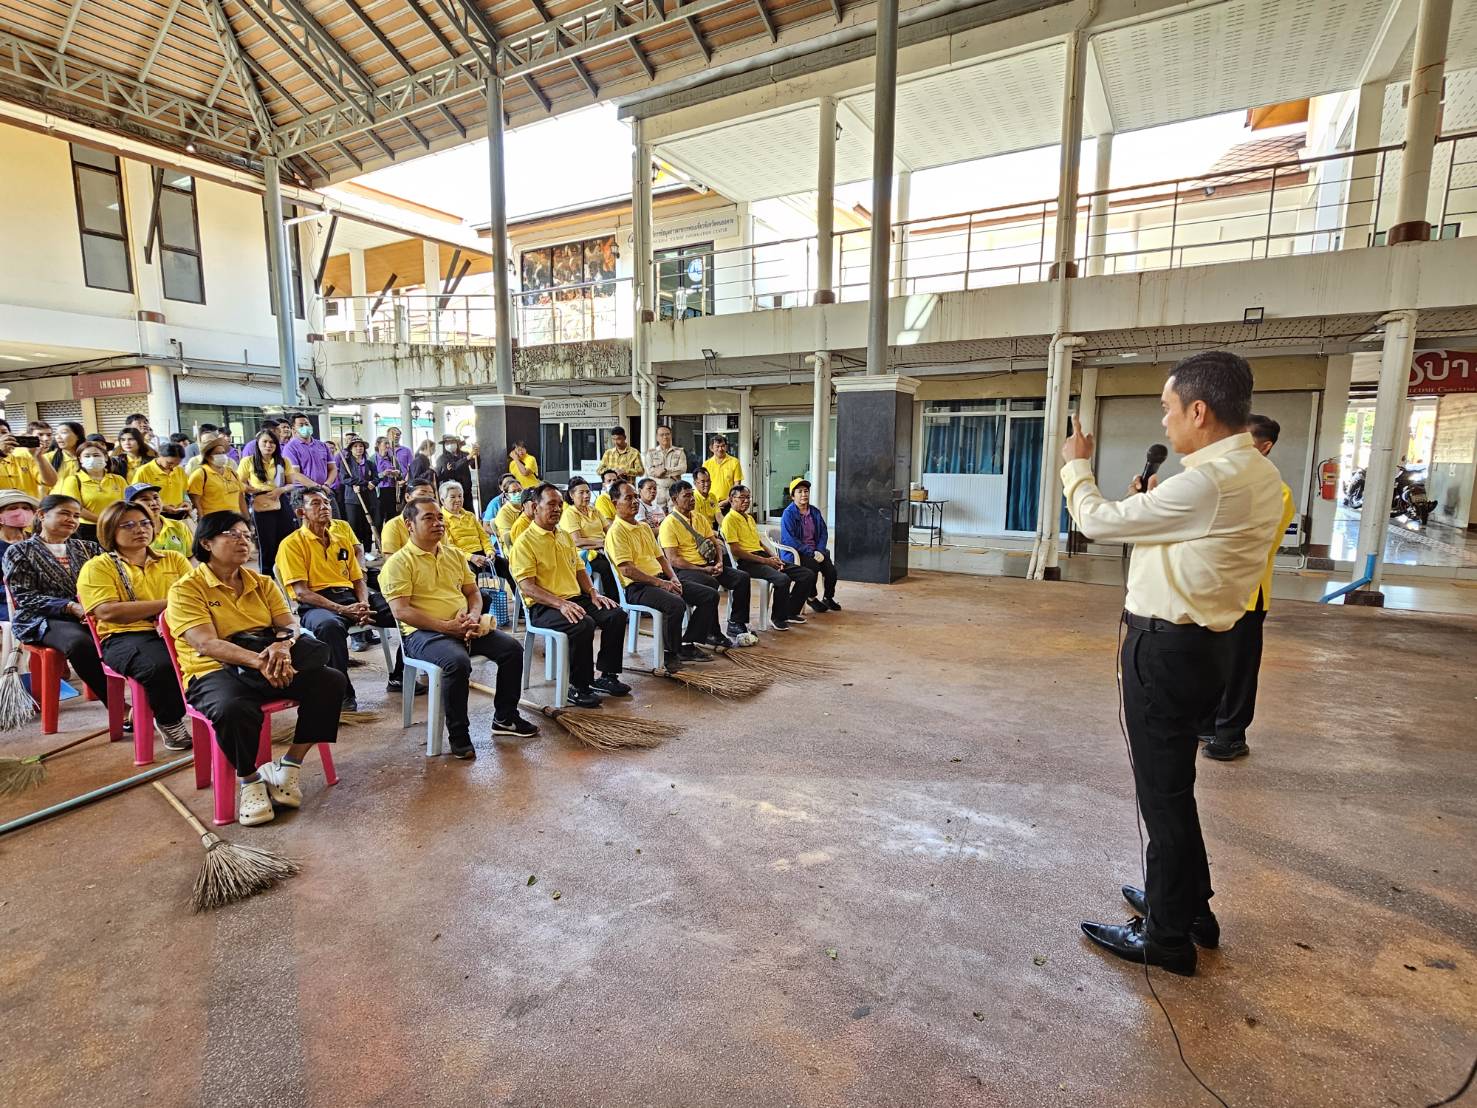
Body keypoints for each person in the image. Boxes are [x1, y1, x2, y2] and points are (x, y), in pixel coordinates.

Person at [1062, 350, 1285, 977]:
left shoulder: (1208, 483)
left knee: (1162, 796)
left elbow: (1097, 521)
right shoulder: (1257, 474)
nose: (1164, 424)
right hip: (1205, 647)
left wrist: (1076, 469)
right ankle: (1189, 909)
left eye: (1166, 410)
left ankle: (1165, 938)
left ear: (1199, 410)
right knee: (1174, 791)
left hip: (1164, 651)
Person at [166, 511, 347, 827]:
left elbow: (289, 623)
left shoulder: (261, 582)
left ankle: (288, 767)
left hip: (271, 662)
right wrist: (261, 662)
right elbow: (206, 644)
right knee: (233, 708)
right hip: (212, 670)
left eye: (247, 534)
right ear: (206, 542)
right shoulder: (186, 589)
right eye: (232, 534)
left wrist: (282, 647)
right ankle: (249, 779)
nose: (243, 540)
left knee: (330, 681)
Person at [380, 498, 535, 759]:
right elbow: (402, 611)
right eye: (428, 518)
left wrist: (474, 616)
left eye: (440, 518)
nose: (438, 523)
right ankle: (459, 735)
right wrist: (446, 627)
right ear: (409, 524)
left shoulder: (452, 554)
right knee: (457, 662)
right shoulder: (398, 562)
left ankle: (505, 719)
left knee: (511, 649)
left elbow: (473, 592)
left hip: (463, 625)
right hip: (422, 634)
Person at [1194, 413, 1296, 762]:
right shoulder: (1219, 485)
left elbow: (1254, 544)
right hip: (1211, 591)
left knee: (1238, 668)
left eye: (1245, 440)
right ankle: (1205, 723)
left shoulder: (1277, 492)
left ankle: (1231, 733)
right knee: (1208, 662)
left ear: (1264, 447)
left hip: (1248, 595)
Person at [77, 501, 193, 750]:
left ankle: (213, 711)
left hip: (175, 628)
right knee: (161, 666)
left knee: (219, 653)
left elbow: (195, 597)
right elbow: (108, 611)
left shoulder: (173, 559)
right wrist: (168, 603)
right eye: (128, 525)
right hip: (124, 636)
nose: (139, 529)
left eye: (144, 523)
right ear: (110, 531)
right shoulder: (98, 567)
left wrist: (168, 612)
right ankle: (169, 719)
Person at [275, 486, 403, 706]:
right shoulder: (291, 544)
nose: (325, 507)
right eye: (316, 504)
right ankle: (342, 692)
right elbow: (302, 592)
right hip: (317, 604)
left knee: (403, 608)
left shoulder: (340, 538)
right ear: (300, 512)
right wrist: (344, 610)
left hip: (351, 597)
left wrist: (363, 604)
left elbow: (357, 580)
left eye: (326, 502)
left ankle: (400, 676)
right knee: (329, 627)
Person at [511, 484, 629, 709]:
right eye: (551, 505)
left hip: (573, 598)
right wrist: (560, 603)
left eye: (559, 505)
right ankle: (578, 687)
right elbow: (527, 587)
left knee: (615, 614)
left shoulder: (563, 536)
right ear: (535, 507)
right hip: (543, 606)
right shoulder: (524, 542)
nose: (557, 509)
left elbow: (579, 569)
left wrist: (593, 593)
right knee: (583, 624)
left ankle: (607, 676)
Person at [1, 495, 108, 703]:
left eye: (76, 515)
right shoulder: (20, 551)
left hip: (88, 612)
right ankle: (117, 705)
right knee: (80, 643)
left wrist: (95, 607)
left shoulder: (88, 548)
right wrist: (70, 607)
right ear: (42, 515)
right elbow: (26, 598)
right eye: (64, 513)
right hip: (42, 618)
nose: (72, 519)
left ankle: (150, 702)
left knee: (132, 636)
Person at [605, 481, 714, 669]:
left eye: (635, 497)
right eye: (628, 498)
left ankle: (687, 643)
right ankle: (669, 654)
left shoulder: (644, 527)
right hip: (637, 587)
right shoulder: (616, 532)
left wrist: (673, 578)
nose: (634, 502)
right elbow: (627, 570)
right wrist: (660, 584)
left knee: (709, 595)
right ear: (615, 503)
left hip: (659, 579)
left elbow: (662, 558)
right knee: (675, 604)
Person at [659, 479, 754, 646]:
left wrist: (718, 562)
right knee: (710, 584)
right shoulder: (669, 524)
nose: (692, 499)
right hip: (685, 570)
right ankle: (712, 632)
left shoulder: (699, 518)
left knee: (742, 578)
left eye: (692, 495)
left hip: (708, 565)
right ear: (674, 500)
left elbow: (715, 542)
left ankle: (736, 623)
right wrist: (703, 570)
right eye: (686, 496)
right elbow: (674, 560)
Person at [723, 485, 814, 631]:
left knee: (807, 575)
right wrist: (766, 561)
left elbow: (758, 543)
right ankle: (778, 617)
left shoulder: (749, 518)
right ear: (731, 499)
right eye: (742, 498)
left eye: (748, 497)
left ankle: (790, 611)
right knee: (782, 579)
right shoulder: (729, 520)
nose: (746, 501)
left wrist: (774, 556)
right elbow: (736, 550)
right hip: (747, 561)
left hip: (762, 556)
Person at [238, 428, 298, 574]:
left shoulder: (283, 462)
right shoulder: (248, 461)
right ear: (257, 443)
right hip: (261, 501)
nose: (268, 445)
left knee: (287, 537)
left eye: (272, 442)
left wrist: (281, 490)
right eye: (265, 442)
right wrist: (251, 489)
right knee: (266, 541)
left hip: (280, 499)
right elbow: (238, 483)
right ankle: (267, 575)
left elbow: (292, 483)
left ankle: (287, 571)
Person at [780, 479, 840, 613]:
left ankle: (828, 597)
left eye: (806, 491)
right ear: (792, 496)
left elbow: (823, 533)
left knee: (831, 571)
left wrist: (819, 550)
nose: (803, 495)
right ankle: (811, 598)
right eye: (799, 492)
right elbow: (790, 540)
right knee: (812, 567)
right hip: (797, 552)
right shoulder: (788, 514)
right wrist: (811, 552)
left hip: (815, 551)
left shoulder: (815, 512)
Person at [56, 439, 125, 544]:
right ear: (80, 459)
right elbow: (76, 508)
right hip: (87, 530)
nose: (92, 458)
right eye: (87, 456)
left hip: (117, 527)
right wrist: (104, 521)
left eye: (96, 455)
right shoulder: (73, 480)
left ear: (105, 457)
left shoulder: (118, 479)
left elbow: (126, 503)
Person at [560, 476, 617, 596]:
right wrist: (601, 543)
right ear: (572, 495)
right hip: (583, 556)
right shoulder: (570, 514)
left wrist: (609, 541)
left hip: (603, 549)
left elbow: (610, 531)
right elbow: (577, 541)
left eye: (587, 492)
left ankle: (629, 596)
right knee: (606, 567)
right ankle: (614, 601)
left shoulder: (594, 510)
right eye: (581, 493)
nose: (586, 495)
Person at [187, 433, 249, 519]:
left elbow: (241, 498)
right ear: (208, 456)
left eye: (223, 453)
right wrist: (202, 523)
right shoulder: (200, 475)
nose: (221, 456)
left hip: (235, 519)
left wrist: (247, 519)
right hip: (213, 521)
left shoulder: (232, 472)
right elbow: (196, 503)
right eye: (217, 453)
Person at [124, 482, 193, 557]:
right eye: (145, 499)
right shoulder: (129, 533)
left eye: (156, 497)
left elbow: (192, 556)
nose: (153, 502)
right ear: (131, 505)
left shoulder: (179, 527)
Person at [0, 490, 38, 622]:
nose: (21, 512)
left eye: (26, 508)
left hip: (40, 600)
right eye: (13, 508)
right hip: (7, 602)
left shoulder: (38, 542)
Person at [338, 437, 379, 551]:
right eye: (355, 446)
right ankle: (355, 550)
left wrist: (373, 483)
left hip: (368, 497)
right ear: (351, 449)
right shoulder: (345, 463)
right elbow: (344, 479)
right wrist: (363, 483)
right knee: (354, 525)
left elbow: (376, 477)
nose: (358, 448)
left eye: (361, 446)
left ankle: (367, 551)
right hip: (352, 498)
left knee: (367, 524)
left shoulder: (370, 463)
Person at [381, 477, 438, 555]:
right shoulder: (393, 526)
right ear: (408, 497)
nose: (427, 500)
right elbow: (391, 562)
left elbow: (444, 552)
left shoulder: (437, 525)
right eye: (422, 495)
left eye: (431, 496)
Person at [0, 423, 56, 499]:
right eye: (40, 434)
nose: (2, 437)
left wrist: (38, 456)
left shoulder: (26, 456)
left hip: (29, 508)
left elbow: (51, 482)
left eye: (4, 432)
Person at [134, 443, 190, 520]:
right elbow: (136, 498)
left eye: (177, 464)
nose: (173, 467)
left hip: (179, 514)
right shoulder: (144, 471)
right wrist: (162, 507)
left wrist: (187, 502)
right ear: (160, 455)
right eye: (169, 463)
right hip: (155, 515)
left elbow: (184, 492)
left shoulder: (180, 470)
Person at [283, 413, 337, 491]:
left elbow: (332, 468)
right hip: (303, 491)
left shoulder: (322, 445)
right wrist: (317, 487)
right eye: (301, 425)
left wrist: (327, 484)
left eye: (307, 424)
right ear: (294, 429)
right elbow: (295, 473)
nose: (305, 427)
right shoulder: (290, 448)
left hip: (325, 489)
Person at [643, 424, 687, 508]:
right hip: (658, 490)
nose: (665, 437)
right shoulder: (651, 453)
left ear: (671, 435)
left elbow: (683, 468)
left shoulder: (679, 452)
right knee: (658, 516)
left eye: (667, 434)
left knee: (675, 515)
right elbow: (650, 471)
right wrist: (672, 474)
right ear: (657, 437)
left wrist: (665, 470)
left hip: (674, 489)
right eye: (661, 435)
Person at [702, 435, 743, 508]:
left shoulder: (735, 462)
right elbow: (703, 484)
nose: (720, 449)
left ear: (726, 447)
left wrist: (728, 500)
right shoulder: (706, 464)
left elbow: (737, 486)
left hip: (730, 503)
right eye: (717, 446)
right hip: (710, 503)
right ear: (711, 448)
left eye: (723, 446)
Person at [434, 434, 475, 504]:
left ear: (456, 443)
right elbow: (453, 466)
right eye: (447, 443)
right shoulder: (442, 458)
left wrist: (477, 454)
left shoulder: (464, 454)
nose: (450, 445)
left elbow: (475, 466)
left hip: (466, 489)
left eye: (452, 442)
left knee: (469, 510)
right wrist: (468, 458)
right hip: (452, 491)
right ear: (444, 445)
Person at [373, 436, 403, 528]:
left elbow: (400, 474)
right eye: (385, 443)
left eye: (388, 443)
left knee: (391, 517)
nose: (387, 445)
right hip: (379, 491)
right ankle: (379, 540)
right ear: (378, 445)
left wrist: (397, 474)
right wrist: (383, 474)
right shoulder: (372, 459)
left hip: (391, 490)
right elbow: (370, 477)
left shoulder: (392, 458)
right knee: (379, 518)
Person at [47, 421, 85, 486]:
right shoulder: (48, 458)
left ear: (78, 436)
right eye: (56, 434)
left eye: (63, 433)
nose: (58, 437)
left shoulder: (88, 457)